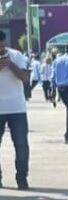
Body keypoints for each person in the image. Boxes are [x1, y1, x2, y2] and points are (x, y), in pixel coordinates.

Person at [0, 29, 31, 189]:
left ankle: (22, 178)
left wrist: (10, 65)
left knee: (21, 145)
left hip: (16, 108)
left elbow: (26, 78)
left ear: (5, 42)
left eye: (1, 46)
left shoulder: (17, 56)